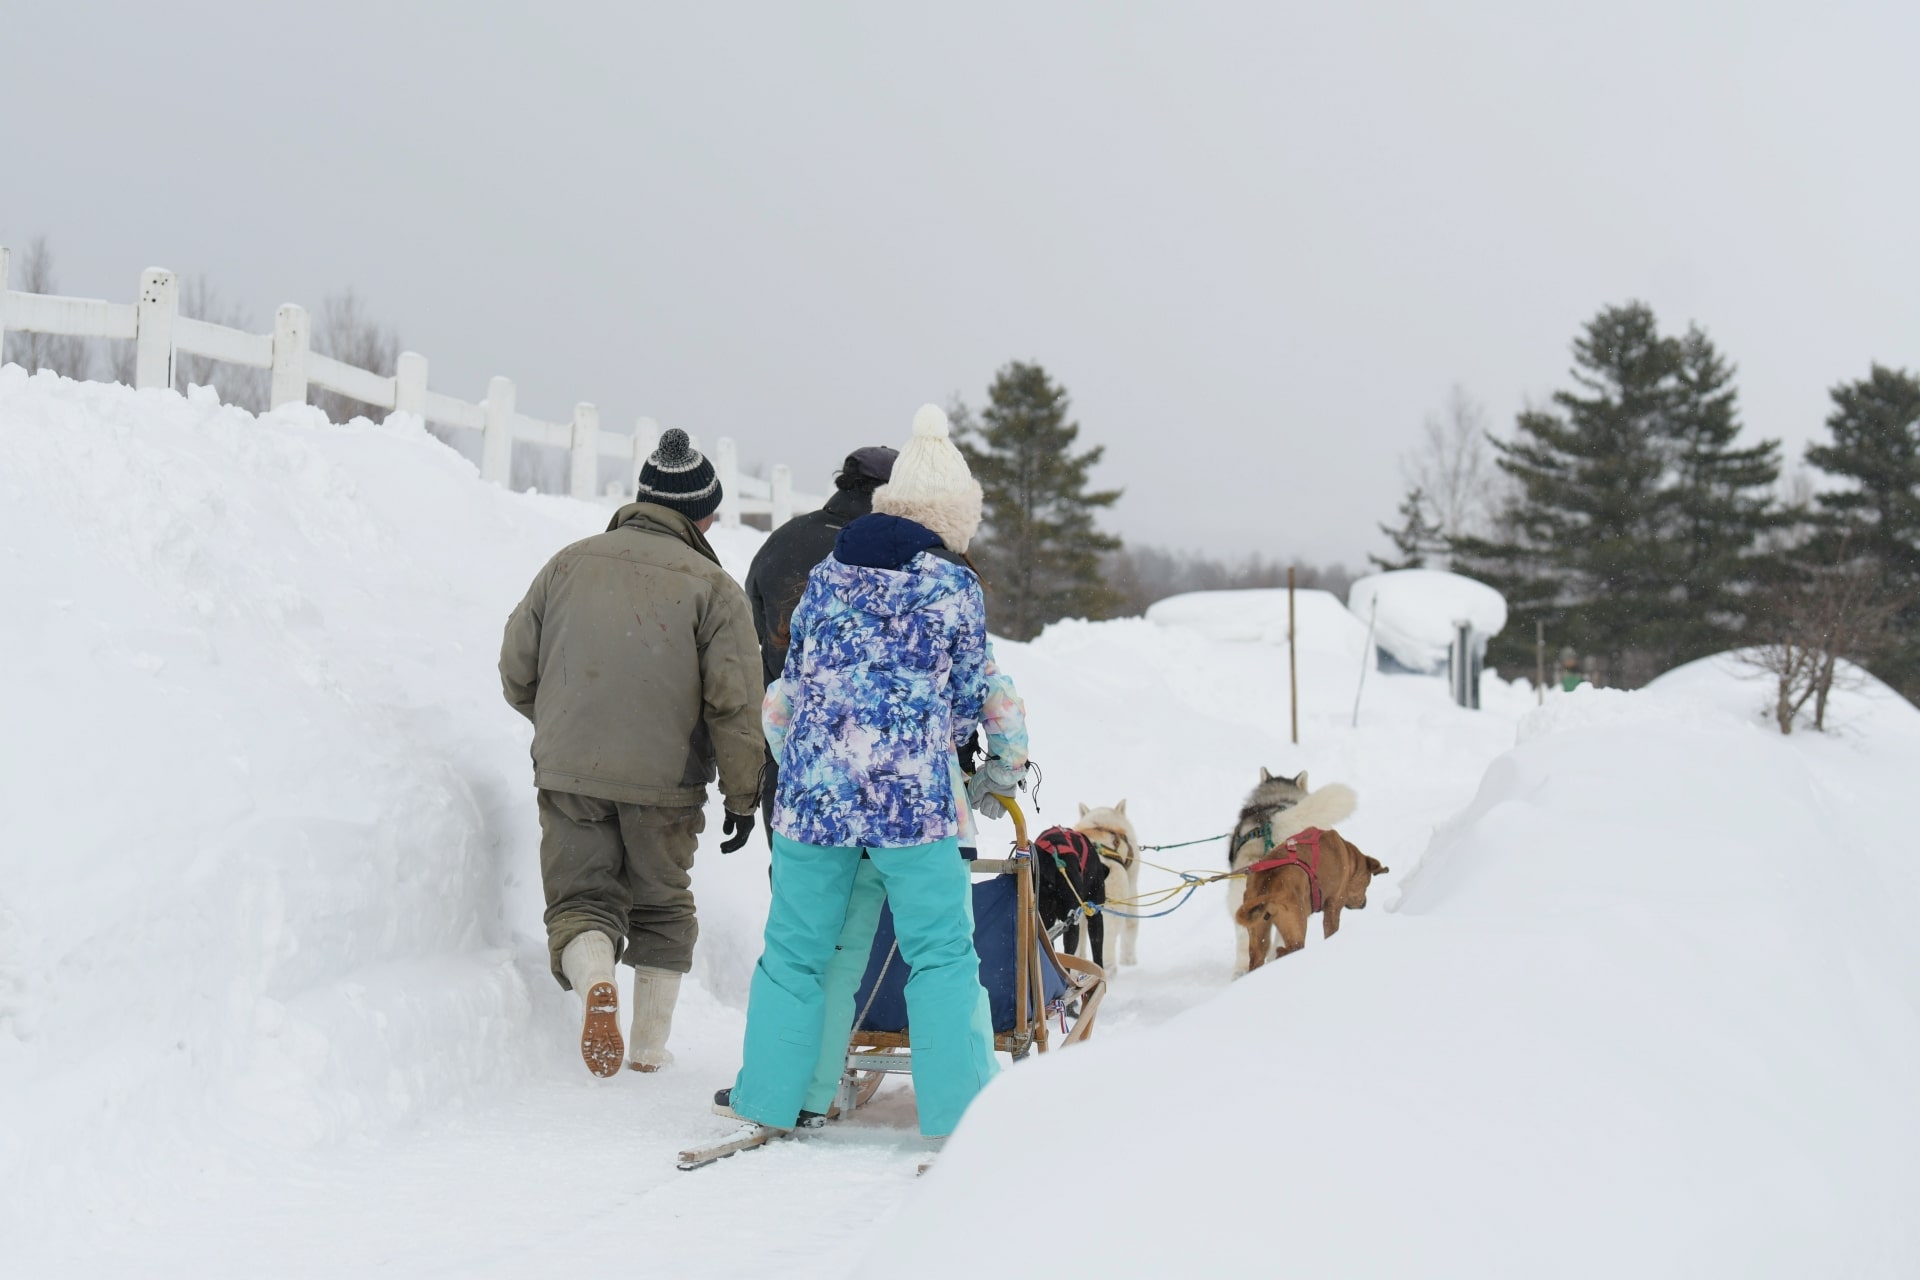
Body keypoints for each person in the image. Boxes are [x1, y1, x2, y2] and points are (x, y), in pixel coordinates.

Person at [725, 404, 1000, 1140]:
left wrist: (816, 761)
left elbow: (788, 690)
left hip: (815, 801)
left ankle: (773, 1099)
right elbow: (971, 701)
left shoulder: (827, 574)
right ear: (951, 515)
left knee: (798, 953)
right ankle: (961, 1116)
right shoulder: (952, 587)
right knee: (940, 955)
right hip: (913, 805)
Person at [499, 429, 764, 1078]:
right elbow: (734, 703)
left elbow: (516, 668)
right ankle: (646, 1046)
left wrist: (562, 727)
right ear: (699, 513)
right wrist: (742, 796)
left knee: (581, 900)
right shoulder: (714, 587)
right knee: (661, 905)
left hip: (568, 769)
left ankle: (595, 983)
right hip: (664, 783)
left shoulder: (567, 563)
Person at [742, 445, 899, 842]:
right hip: (877, 755)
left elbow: (754, 632)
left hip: (789, 740)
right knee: (871, 889)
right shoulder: (895, 555)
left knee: (797, 883)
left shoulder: (783, 541)